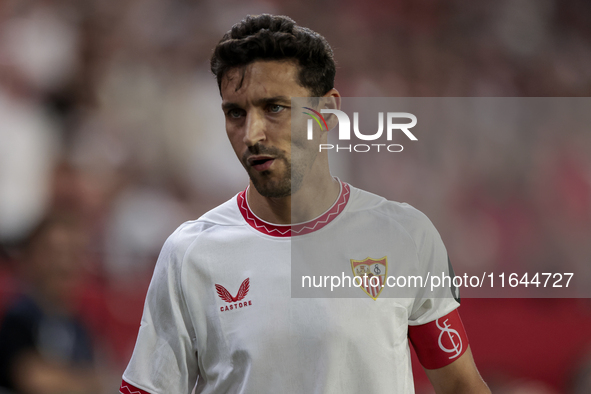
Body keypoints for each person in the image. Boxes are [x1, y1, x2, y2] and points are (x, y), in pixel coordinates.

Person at [120, 14, 490, 394]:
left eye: (275, 108)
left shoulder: (406, 236)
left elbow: (461, 386)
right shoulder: (189, 254)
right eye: (236, 113)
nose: (253, 134)